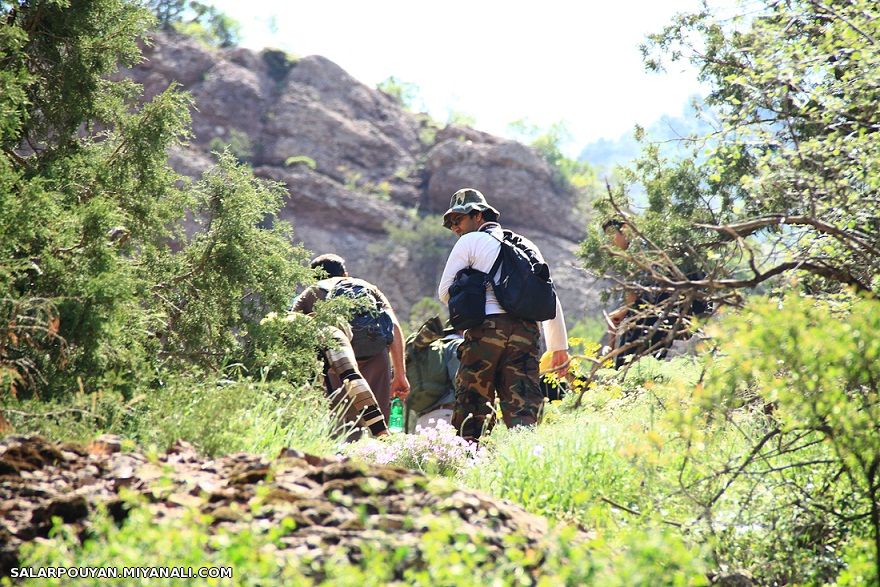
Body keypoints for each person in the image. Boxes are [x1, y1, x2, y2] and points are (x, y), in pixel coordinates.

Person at [437, 188, 570, 441]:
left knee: (473, 405)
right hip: (525, 332)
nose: (454, 227)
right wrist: (558, 347)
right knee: (523, 406)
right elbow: (547, 294)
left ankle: (468, 465)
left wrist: (471, 289)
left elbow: (444, 292)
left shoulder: (470, 241)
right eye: (451, 222)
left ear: (478, 216)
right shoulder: (525, 245)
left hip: (485, 330)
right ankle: (526, 459)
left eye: (458, 219)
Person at [290, 254, 409, 420]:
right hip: (376, 358)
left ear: (313, 277)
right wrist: (400, 374)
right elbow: (393, 326)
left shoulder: (310, 292)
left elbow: (291, 328)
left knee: (338, 421)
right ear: (345, 273)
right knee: (378, 419)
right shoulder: (366, 287)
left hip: (337, 363)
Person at [403, 316, 463, 432]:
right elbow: (459, 384)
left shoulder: (433, 348)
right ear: (463, 330)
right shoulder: (457, 345)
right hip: (447, 417)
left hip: (422, 420)